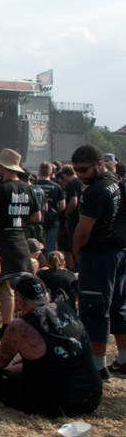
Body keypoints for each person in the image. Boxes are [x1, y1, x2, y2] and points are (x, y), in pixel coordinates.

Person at [0, 275, 102, 417]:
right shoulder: (66, 308)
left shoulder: (20, 326)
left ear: (20, 301)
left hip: (56, 402)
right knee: (36, 365)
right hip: (91, 396)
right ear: (47, 295)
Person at [70, 144, 126, 380]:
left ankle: (96, 367)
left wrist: (76, 252)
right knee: (118, 307)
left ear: (99, 163)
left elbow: (83, 231)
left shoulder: (95, 191)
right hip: (118, 251)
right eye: (76, 170)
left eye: (83, 169)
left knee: (94, 310)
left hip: (98, 254)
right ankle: (123, 361)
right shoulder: (117, 182)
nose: (80, 175)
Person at [0, 148, 42, 340]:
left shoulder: (0, 188)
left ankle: (7, 326)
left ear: (2, 167)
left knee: (5, 287)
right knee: (21, 283)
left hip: (2, 240)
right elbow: (37, 216)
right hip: (20, 238)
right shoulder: (28, 187)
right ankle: (27, 323)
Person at [31, 161, 66, 256]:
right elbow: (62, 206)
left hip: (36, 220)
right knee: (50, 246)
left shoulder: (32, 186)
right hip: (53, 219)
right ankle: (50, 265)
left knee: (36, 246)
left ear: (39, 172)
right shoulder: (57, 187)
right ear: (51, 173)